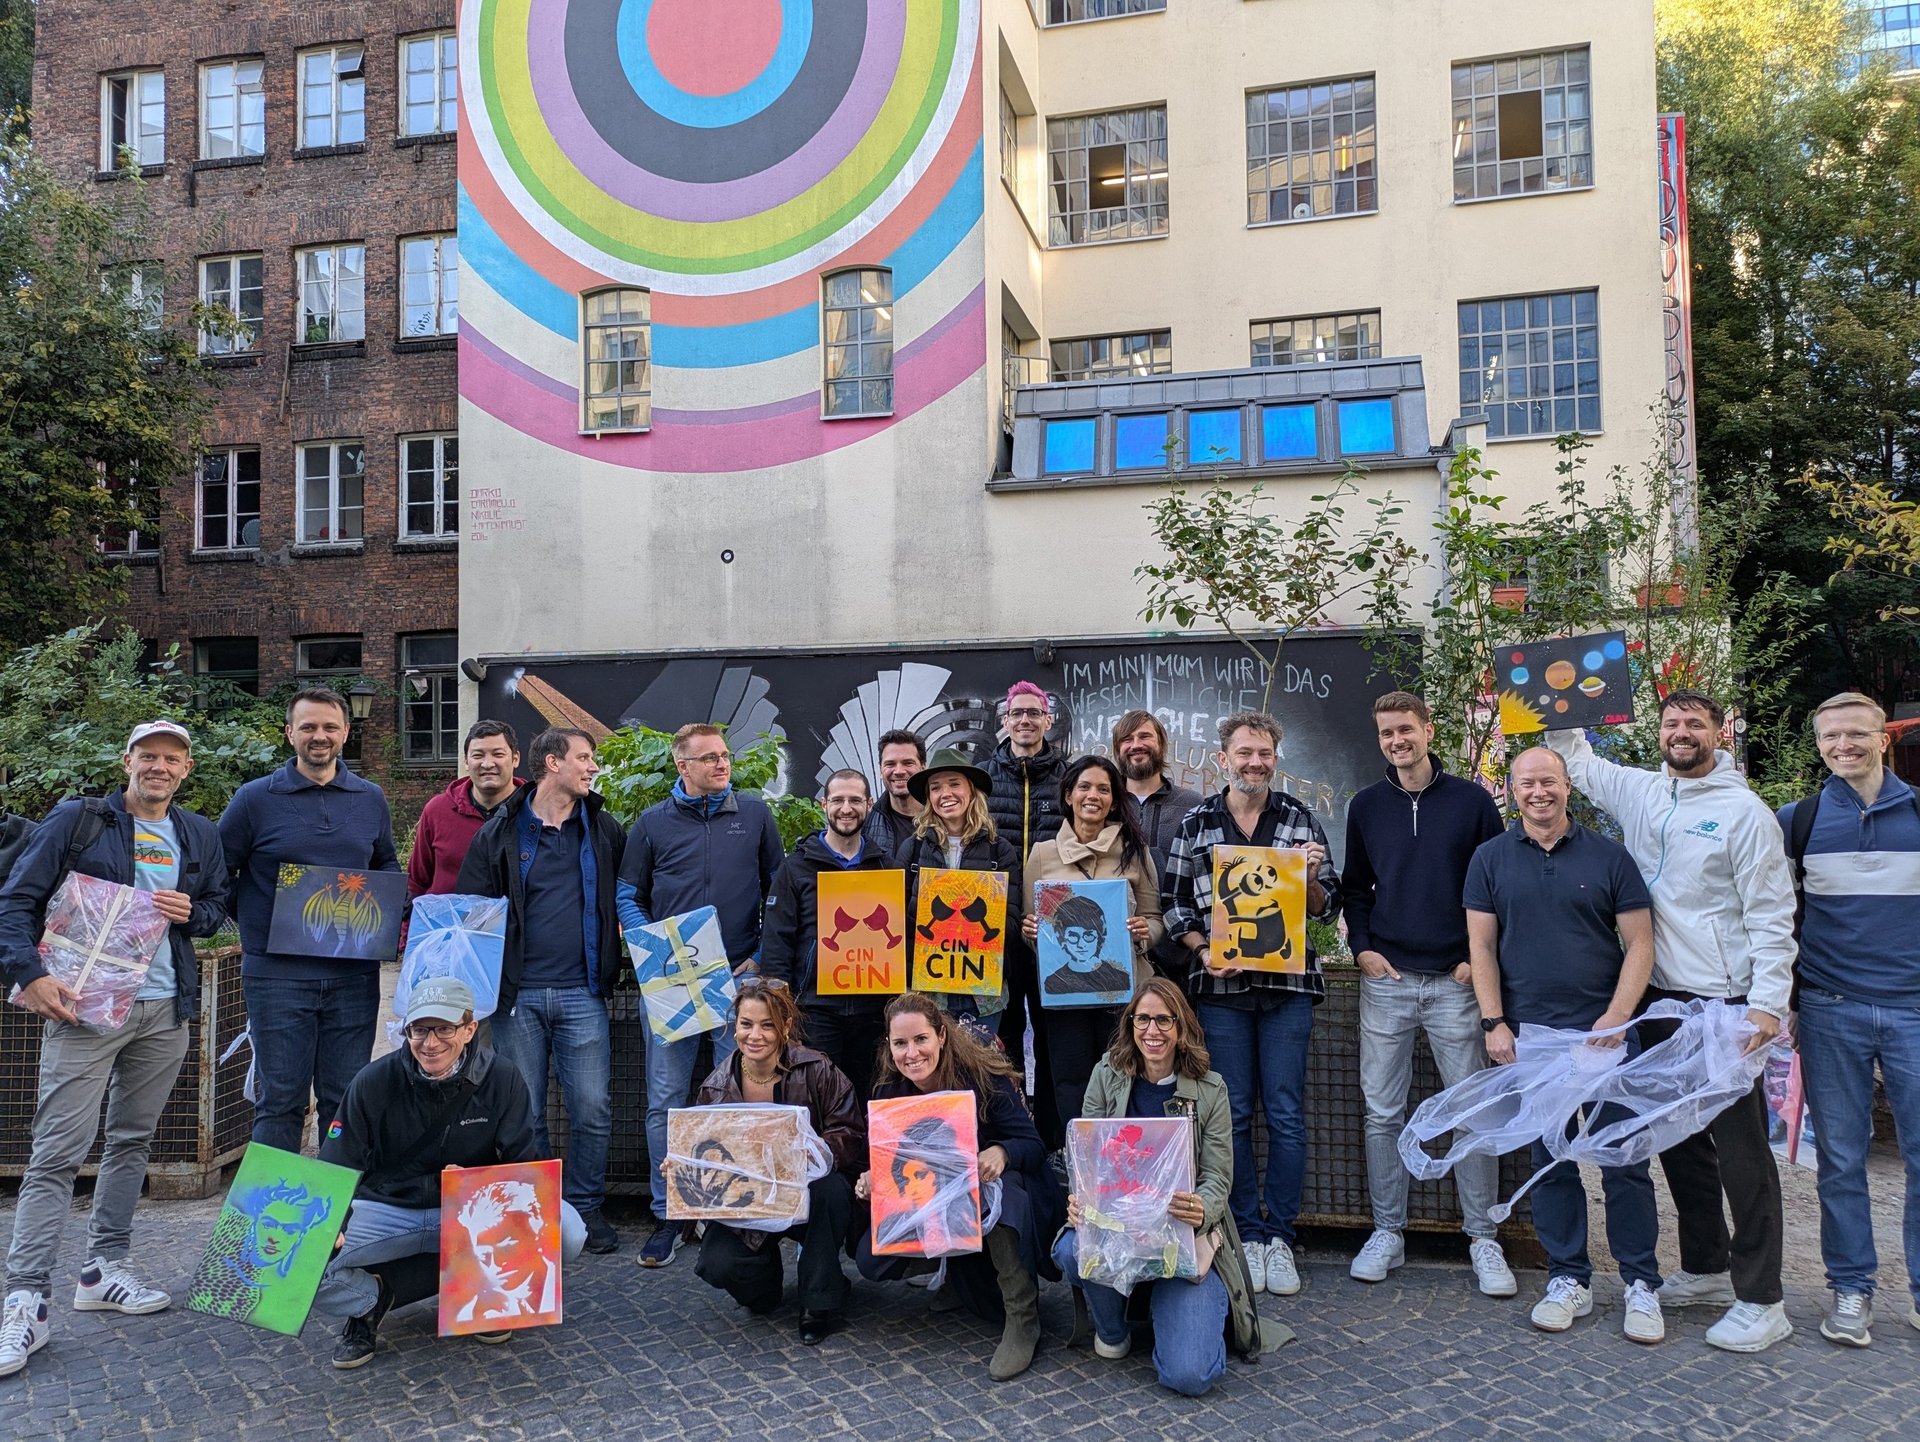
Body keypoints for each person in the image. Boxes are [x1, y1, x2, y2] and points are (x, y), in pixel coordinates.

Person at [1546, 691, 1796, 1352]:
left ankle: (1763, 1299)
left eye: (1695, 724)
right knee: (1681, 1142)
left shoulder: (1745, 814)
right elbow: (1579, 761)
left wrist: (1768, 1004)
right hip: (1660, 1000)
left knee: (1742, 1152)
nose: (1681, 732)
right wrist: (1552, 698)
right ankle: (1707, 1267)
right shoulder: (1643, 792)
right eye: (1672, 723)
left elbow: (1773, 915)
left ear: (1718, 732)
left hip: (1726, 1005)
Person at [0, 721, 228, 1379]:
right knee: (56, 1153)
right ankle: (26, 1300)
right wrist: (29, 973)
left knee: (132, 1141)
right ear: (127, 760)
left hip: (165, 1009)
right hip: (85, 1010)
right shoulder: (79, 820)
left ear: (186, 769)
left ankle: (104, 1268)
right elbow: (15, 901)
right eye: (148, 756)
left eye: (172, 759)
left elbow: (217, 907)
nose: (159, 767)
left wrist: (193, 912)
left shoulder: (198, 833)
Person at [1465, 746, 1663, 1343]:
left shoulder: (1610, 856)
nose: (1538, 792)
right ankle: (1569, 1277)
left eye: (1548, 781)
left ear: (1567, 786)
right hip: (1532, 1039)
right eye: (1527, 783)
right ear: (1512, 790)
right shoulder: (1490, 858)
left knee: (1624, 1160)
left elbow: (1640, 944)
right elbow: (1481, 947)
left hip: (1606, 1035)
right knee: (1549, 1162)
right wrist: (1494, 1022)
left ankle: (1640, 1282)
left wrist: (1617, 1017)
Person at [313, 976, 587, 1369]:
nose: (430, 1042)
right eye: (419, 1029)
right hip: (388, 1207)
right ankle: (372, 1300)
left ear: (469, 1029)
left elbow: (523, 1170)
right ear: (407, 1030)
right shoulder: (373, 1081)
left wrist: (478, 1184)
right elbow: (337, 1162)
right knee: (301, 1260)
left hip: (469, 1212)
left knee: (570, 1233)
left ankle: (481, 1291)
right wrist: (331, 1225)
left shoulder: (503, 1078)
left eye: (444, 1029)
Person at [1160, 712, 1339, 1298]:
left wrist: (1311, 878)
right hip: (1222, 993)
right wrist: (1201, 950)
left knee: (1285, 1113)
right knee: (1231, 1115)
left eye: (1264, 753)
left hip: (1289, 991)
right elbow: (1173, 903)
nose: (1254, 763)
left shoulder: (1299, 819)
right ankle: (1243, 1231)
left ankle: (1279, 1236)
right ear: (1224, 759)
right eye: (1244, 753)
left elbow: (1325, 907)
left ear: (1275, 759)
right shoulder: (1196, 823)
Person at [1340, 692, 1513, 1295]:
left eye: (1405, 730)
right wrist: (1362, 948)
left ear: (1428, 730)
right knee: (1382, 1113)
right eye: (1386, 733)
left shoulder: (1472, 802)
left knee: (1471, 1111)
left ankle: (1483, 1238)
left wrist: (1474, 961)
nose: (1397, 741)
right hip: (1386, 981)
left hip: (1455, 983)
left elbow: (1497, 884)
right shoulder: (1366, 806)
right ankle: (1388, 1231)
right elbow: (1355, 888)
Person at [1778, 691, 1920, 1347]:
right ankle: (1852, 1289)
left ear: (1883, 739)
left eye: (1856, 734)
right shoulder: (1799, 821)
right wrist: (1784, 999)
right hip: (1830, 1008)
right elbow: (1776, 916)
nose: (1843, 746)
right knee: (1839, 1160)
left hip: (1914, 1008)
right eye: (1830, 736)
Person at [616, 722, 785, 1268]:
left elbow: (779, 891)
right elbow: (627, 895)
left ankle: (733, 1209)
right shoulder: (651, 824)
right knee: (666, 1100)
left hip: (737, 980)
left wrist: (760, 954)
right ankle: (670, 1213)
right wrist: (651, 947)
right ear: (682, 765)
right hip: (671, 980)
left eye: (725, 755)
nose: (722, 764)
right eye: (709, 757)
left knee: (738, 1095)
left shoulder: (755, 815)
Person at [455, 727, 626, 1255]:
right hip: (516, 996)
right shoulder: (501, 832)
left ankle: (587, 1206)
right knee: (525, 1112)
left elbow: (625, 895)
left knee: (592, 1108)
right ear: (553, 762)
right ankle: (543, 1209)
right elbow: (472, 913)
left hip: (584, 991)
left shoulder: (602, 828)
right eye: (584, 757)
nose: (592, 767)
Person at [1053, 979, 1265, 1395]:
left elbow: (1219, 1176)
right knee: (1070, 1248)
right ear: (1131, 1024)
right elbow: (1088, 1158)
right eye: (1143, 1019)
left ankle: (1171, 1311)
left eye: (1164, 1020)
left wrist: (1202, 1207)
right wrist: (1080, 1200)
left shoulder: (1210, 1090)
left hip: (1180, 1236)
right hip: (1117, 1229)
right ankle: (1114, 1330)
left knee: (1189, 1376)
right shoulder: (1106, 1075)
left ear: (1181, 1027)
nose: (1153, 1030)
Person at [218, 687, 399, 1153]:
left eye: (330, 727)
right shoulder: (254, 799)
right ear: (289, 733)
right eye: (308, 727)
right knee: (280, 1101)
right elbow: (219, 872)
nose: (320, 736)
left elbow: (385, 866)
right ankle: (268, 1205)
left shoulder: (370, 798)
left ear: (346, 734)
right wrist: (260, 919)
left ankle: (336, 1201)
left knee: (345, 1104)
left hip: (353, 977)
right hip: (276, 977)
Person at [854, 993, 1062, 1381]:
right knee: (871, 1260)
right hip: (930, 1192)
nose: (911, 1053)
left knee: (1001, 1199)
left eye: (921, 1039)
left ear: (941, 1036)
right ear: (889, 1046)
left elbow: (1033, 1145)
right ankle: (958, 1270)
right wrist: (871, 1176)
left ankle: (1023, 1317)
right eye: (900, 1043)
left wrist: (1002, 1151)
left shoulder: (982, 1077)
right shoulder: (888, 1092)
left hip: (997, 1186)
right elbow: (887, 1159)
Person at [670, 982, 864, 1345]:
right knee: (717, 1264)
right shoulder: (716, 1087)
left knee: (832, 1190)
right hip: (747, 1201)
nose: (754, 1035)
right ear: (735, 1026)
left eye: (767, 1025)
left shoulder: (817, 1069)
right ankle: (765, 1284)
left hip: (807, 1191)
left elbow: (850, 1131)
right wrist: (681, 1167)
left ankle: (818, 1300)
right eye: (746, 1024)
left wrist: (812, 1152)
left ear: (785, 1026)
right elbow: (699, 1150)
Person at [1022, 755, 1164, 1131]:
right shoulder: (1042, 854)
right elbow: (1031, 925)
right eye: (1084, 787)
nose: (1093, 796)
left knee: (1122, 1073)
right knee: (1069, 1079)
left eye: (1103, 789)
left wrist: (1143, 932)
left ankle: (1121, 1151)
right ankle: (1078, 1155)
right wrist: (1030, 931)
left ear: (1114, 801)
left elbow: (1156, 920)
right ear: (1068, 795)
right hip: (1064, 993)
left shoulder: (1134, 851)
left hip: (1121, 990)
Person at [761, 770, 896, 1099]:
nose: (846, 808)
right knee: (817, 1098)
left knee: (869, 1099)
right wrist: (782, 1013)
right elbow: (777, 943)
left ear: (869, 805)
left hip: (872, 1011)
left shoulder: (886, 867)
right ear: (824, 804)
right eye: (838, 800)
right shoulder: (795, 868)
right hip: (816, 1010)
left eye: (855, 800)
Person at [984, 682, 1069, 1142]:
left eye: (1034, 713)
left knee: (1055, 1038)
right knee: (1005, 1035)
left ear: (1047, 721)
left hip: (1056, 931)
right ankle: (1014, 1135)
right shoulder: (983, 779)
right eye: (1017, 713)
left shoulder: (1068, 778)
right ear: (1005, 721)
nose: (1025, 721)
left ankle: (1054, 1139)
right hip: (996, 931)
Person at [897, 750, 1023, 1041]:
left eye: (954, 784)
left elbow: (1012, 922)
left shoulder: (999, 850)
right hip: (929, 992)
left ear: (971, 791)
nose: (945, 794)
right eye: (936, 788)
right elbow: (898, 920)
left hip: (981, 996)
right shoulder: (913, 849)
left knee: (978, 1066)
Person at [407, 721, 523, 897]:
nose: (487, 764)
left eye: (498, 754)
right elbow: (416, 882)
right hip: (446, 915)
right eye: (478, 755)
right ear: (466, 761)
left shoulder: (535, 811)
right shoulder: (438, 811)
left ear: (515, 759)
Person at [864, 729, 927, 858]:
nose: (899, 771)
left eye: (908, 763)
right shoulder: (866, 824)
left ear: (923, 767)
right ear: (880, 770)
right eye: (890, 764)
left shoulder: (945, 817)